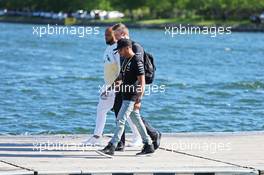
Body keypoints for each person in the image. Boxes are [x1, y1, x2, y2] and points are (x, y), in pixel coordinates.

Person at [83, 27, 142, 150]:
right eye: (105, 34)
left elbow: (122, 69)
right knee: (102, 109)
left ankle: (137, 137)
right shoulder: (108, 49)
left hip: (117, 86)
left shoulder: (118, 50)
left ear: (116, 35)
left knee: (126, 113)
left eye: (108, 35)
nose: (106, 36)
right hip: (109, 85)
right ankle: (97, 137)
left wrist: (117, 86)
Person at [112, 23, 161, 149]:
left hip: (134, 87)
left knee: (130, 113)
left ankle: (152, 135)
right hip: (125, 85)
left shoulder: (135, 47)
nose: (115, 38)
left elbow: (139, 73)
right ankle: (122, 143)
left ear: (123, 34)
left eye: (117, 35)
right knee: (124, 111)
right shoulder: (121, 48)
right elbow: (124, 70)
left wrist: (139, 97)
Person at [101, 38, 155, 155]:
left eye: (120, 50)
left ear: (127, 48)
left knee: (120, 119)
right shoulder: (126, 60)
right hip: (125, 95)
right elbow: (120, 77)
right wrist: (108, 89)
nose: (119, 53)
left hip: (132, 96)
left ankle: (112, 146)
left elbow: (142, 81)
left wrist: (139, 99)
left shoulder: (137, 61)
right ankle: (149, 144)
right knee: (137, 120)